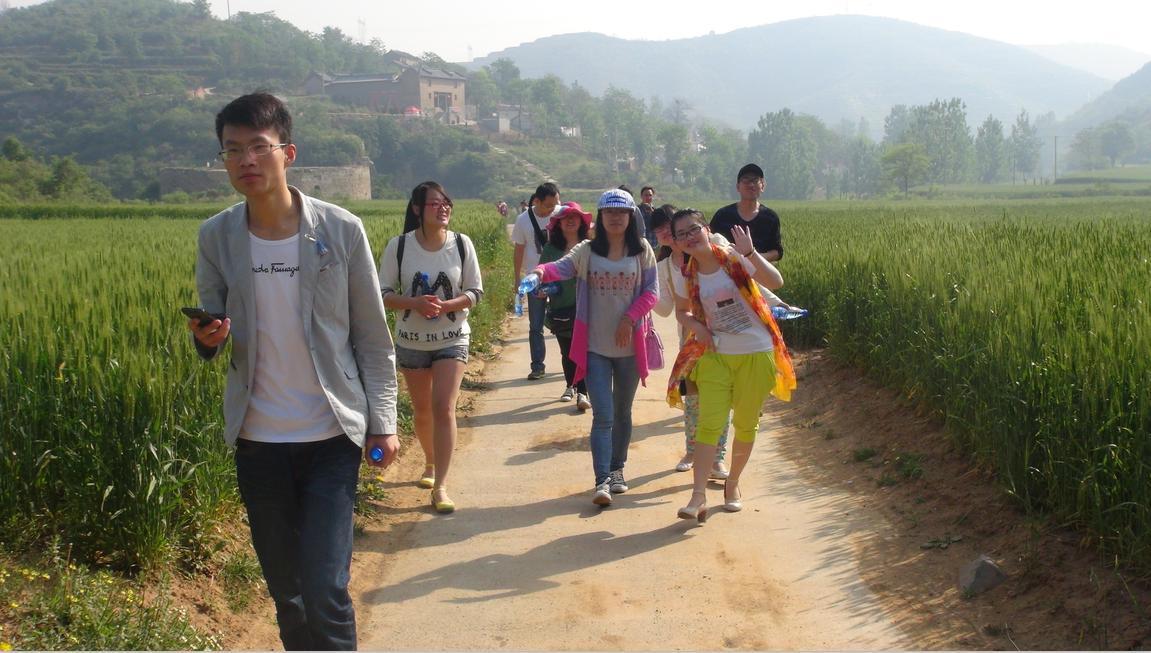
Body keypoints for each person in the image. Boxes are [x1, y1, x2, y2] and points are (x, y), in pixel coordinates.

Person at [189, 92, 398, 650]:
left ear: (288, 152)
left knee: (325, 588)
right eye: (232, 149)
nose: (245, 160)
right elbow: (212, 328)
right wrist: (207, 339)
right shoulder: (216, 237)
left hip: (331, 436)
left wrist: (384, 424)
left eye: (259, 147)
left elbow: (372, 338)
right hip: (258, 442)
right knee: (288, 594)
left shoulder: (340, 230)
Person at [524, 188, 659, 506]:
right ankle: (602, 481)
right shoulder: (586, 251)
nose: (615, 217)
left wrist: (629, 318)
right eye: (609, 212)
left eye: (621, 212)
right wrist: (539, 272)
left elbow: (652, 292)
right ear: (600, 216)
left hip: (630, 349)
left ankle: (617, 469)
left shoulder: (642, 250)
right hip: (595, 348)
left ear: (630, 217)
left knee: (623, 413)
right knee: (603, 415)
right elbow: (560, 268)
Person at [666, 209, 796, 523]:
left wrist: (750, 253)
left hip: (756, 353)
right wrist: (698, 327)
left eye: (693, 229)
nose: (689, 237)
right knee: (709, 424)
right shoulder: (686, 274)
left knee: (746, 424)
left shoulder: (734, 258)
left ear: (706, 228)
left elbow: (775, 282)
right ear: (678, 243)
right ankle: (698, 496)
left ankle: (732, 483)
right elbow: (682, 311)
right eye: (681, 234)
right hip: (715, 355)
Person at [379, 181, 483, 514]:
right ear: (417, 209)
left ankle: (440, 486)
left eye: (446, 203)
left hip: (453, 338)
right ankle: (429, 461)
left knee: (444, 408)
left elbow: (475, 292)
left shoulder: (462, 244)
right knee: (423, 410)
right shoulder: (399, 247)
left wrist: (447, 306)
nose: (443, 208)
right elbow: (382, 293)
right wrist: (414, 303)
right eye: (434, 203)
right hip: (411, 340)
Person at [538, 201, 593, 411]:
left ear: (581, 221)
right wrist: (545, 289)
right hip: (561, 309)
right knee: (568, 352)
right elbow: (542, 275)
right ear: (558, 224)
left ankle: (582, 392)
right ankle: (571, 385)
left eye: (574, 216)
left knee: (584, 351)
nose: (570, 221)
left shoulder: (591, 247)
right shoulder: (551, 250)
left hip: (587, 309)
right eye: (565, 218)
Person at [511, 182, 561, 380]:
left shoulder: (560, 214)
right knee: (536, 325)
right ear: (537, 201)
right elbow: (519, 250)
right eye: (548, 205)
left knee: (568, 322)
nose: (552, 209)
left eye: (555, 204)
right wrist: (517, 278)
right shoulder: (523, 220)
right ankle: (537, 366)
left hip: (560, 277)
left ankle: (573, 364)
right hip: (534, 279)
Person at [709, 163, 783, 261]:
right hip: (727, 269)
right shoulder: (723, 215)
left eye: (755, 180)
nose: (751, 185)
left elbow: (777, 251)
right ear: (738, 187)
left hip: (759, 269)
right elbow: (708, 242)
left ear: (762, 186)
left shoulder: (770, 217)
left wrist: (752, 259)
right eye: (746, 180)